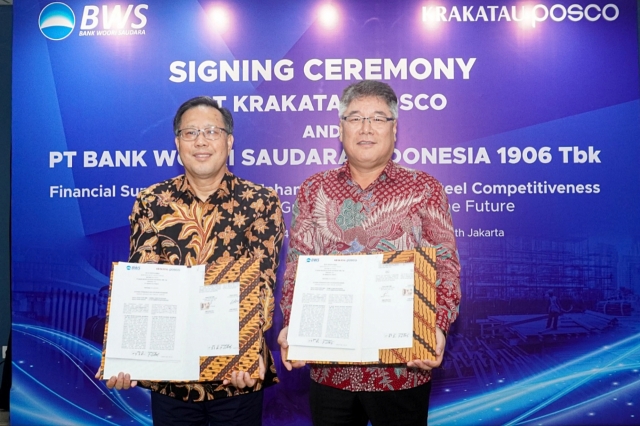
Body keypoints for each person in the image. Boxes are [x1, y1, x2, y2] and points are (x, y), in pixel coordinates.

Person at [278, 80, 461, 426]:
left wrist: (437, 326)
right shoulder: (314, 189)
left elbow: (446, 267)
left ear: (395, 129)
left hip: (403, 369)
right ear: (340, 128)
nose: (366, 128)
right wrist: (293, 325)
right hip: (331, 369)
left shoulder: (425, 189)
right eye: (355, 118)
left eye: (378, 118)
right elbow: (297, 267)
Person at [96, 96, 285, 426]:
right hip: (171, 377)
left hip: (237, 374)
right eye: (190, 132)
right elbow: (144, 282)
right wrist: (130, 354)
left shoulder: (261, 202)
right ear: (177, 143)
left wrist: (249, 352)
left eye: (212, 131)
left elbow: (263, 283)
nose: (201, 141)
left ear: (229, 141)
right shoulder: (152, 202)